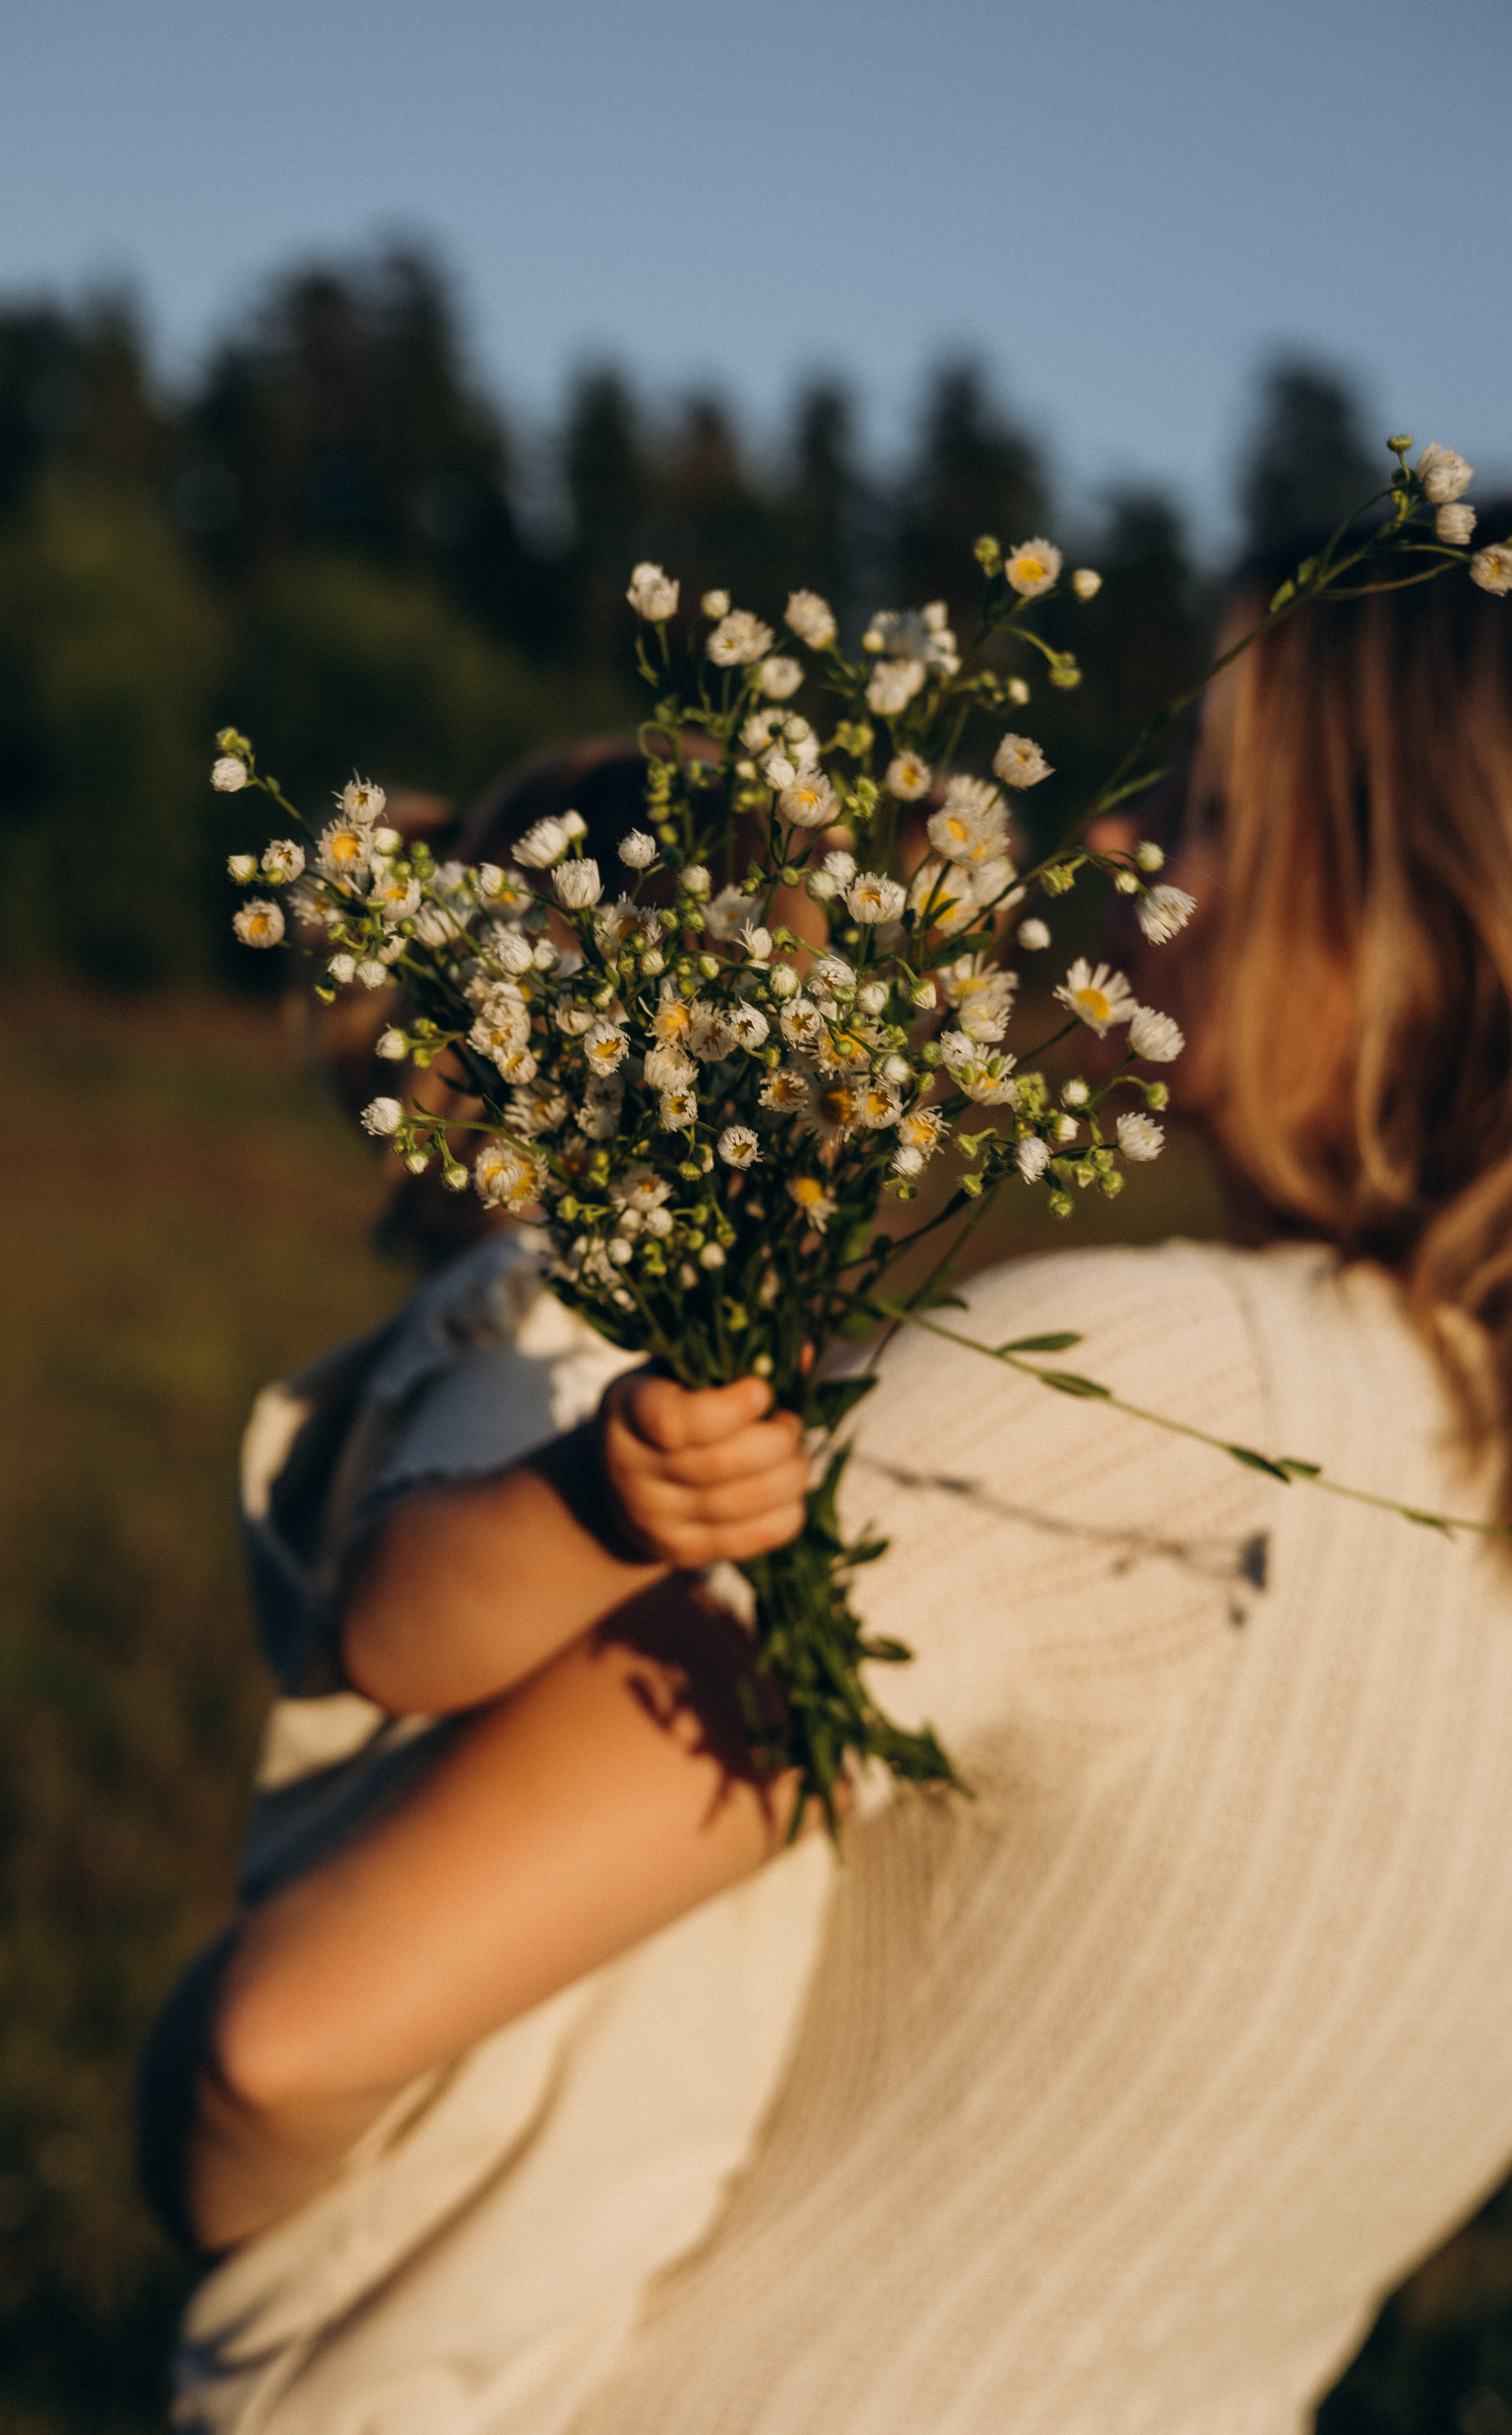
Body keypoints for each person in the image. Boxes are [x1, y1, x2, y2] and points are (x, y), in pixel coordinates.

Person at [148, 540, 1512, 2435]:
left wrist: (208, 2207)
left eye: (1210, 806)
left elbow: (280, 2052)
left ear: (1406, 897)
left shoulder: (1157, 1404)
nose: (1117, 844)